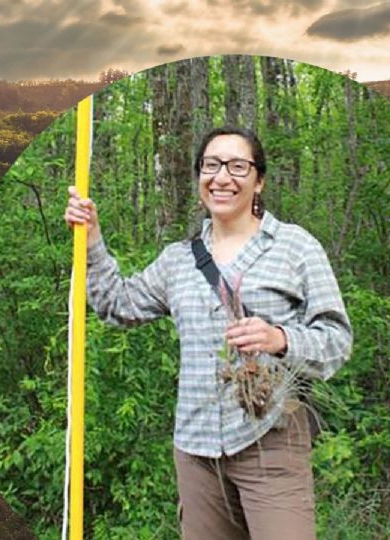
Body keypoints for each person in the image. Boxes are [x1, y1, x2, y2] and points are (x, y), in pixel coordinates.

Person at [64, 126, 352, 540]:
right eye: (211, 165)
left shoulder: (296, 247)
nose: (222, 177)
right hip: (196, 450)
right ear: (199, 175)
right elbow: (117, 304)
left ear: (259, 180)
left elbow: (337, 340)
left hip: (270, 440)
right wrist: (91, 240)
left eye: (238, 166)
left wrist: (280, 338)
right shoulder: (178, 261)